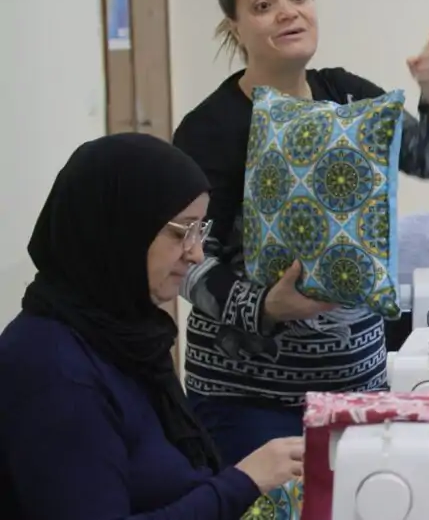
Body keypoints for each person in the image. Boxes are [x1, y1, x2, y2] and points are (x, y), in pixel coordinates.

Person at [172, 0, 429, 466]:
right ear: (234, 27)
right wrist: (265, 307)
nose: (288, 12)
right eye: (263, 5)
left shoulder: (347, 96)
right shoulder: (209, 129)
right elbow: (187, 258)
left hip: (359, 388)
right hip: (248, 403)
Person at [0, 134, 304, 519]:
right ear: (118, 231)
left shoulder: (124, 337)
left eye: (200, 231)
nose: (196, 254)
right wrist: (242, 483)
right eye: (181, 232)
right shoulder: (51, 370)